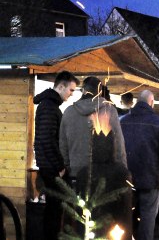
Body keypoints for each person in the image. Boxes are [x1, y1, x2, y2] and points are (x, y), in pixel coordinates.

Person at [120, 90, 159, 240]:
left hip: (127, 176)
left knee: (126, 215)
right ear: (151, 102)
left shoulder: (122, 121)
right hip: (151, 176)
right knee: (148, 216)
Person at [33, 70, 79, 240]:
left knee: (54, 209)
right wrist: (59, 166)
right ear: (61, 86)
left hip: (49, 165)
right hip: (51, 168)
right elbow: (47, 139)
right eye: (71, 90)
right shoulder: (48, 107)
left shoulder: (49, 105)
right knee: (54, 210)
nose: (71, 94)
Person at [59, 76, 127, 182]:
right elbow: (118, 143)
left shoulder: (69, 112)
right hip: (102, 176)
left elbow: (63, 145)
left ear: (83, 90)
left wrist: (68, 168)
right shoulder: (109, 111)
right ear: (100, 92)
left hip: (76, 173)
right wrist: (123, 170)